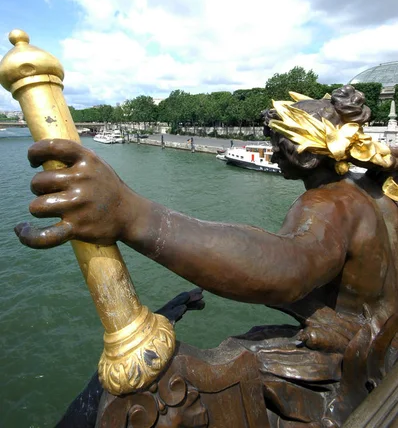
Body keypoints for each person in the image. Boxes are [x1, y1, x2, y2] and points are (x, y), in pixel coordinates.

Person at [15, 86, 398, 427]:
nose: (271, 153)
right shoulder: (373, 190)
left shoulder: (329, 203)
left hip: (361, 371)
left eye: (278, 145)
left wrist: (130, 215)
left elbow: (287, 269)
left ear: (308, 158)